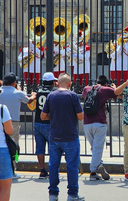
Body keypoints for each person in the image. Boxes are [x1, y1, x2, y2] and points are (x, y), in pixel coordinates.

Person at [41, 73, 84, 201]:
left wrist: (53, 117)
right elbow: (80, 116)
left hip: (54, 136)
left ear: (57, 83)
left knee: (54, 165)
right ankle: (72, 194)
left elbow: (43, 116)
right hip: (70, 136)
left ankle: (53, 194)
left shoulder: (51, 96)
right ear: (70, 84)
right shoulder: (73, 96)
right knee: (72, 166)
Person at [81, 75, 120, 181]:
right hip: (100, 123)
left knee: (94, 148)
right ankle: (93, 172)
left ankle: (99, 164)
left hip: (87, 123)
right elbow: (118, 94)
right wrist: (114, 87)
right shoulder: (105, 90)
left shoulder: (86, 88)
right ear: (106, 84)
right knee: (98, 148)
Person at [0, 72, 36, 179]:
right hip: (13, 123)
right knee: (13, 147)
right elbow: (29, 101)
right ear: (14, 82)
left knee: (1, 146)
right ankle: (12, 170)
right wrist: (33, 95)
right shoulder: (17, 93)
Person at [34, 72, 58, 179]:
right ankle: (52, 170)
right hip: (49, 122)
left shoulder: (38, 90)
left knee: (40, 148)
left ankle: (42, 170)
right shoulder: (53, 92)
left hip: (37, 122)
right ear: (53, 82)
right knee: (53, 148)